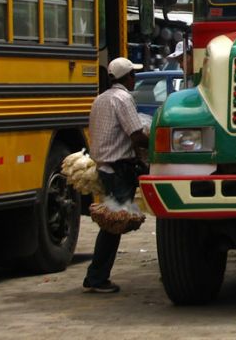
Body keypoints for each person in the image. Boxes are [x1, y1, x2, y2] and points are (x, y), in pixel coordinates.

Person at [83, 57, 149, 294]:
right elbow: (137, 136)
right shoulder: (123, 99)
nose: (135, 79)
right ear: (128, 77)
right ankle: (97, 277)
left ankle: (96, 276)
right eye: (133, 75)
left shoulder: (101, 99)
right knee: (114, 225)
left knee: (113, 223)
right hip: (119, 169)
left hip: (104, 167)